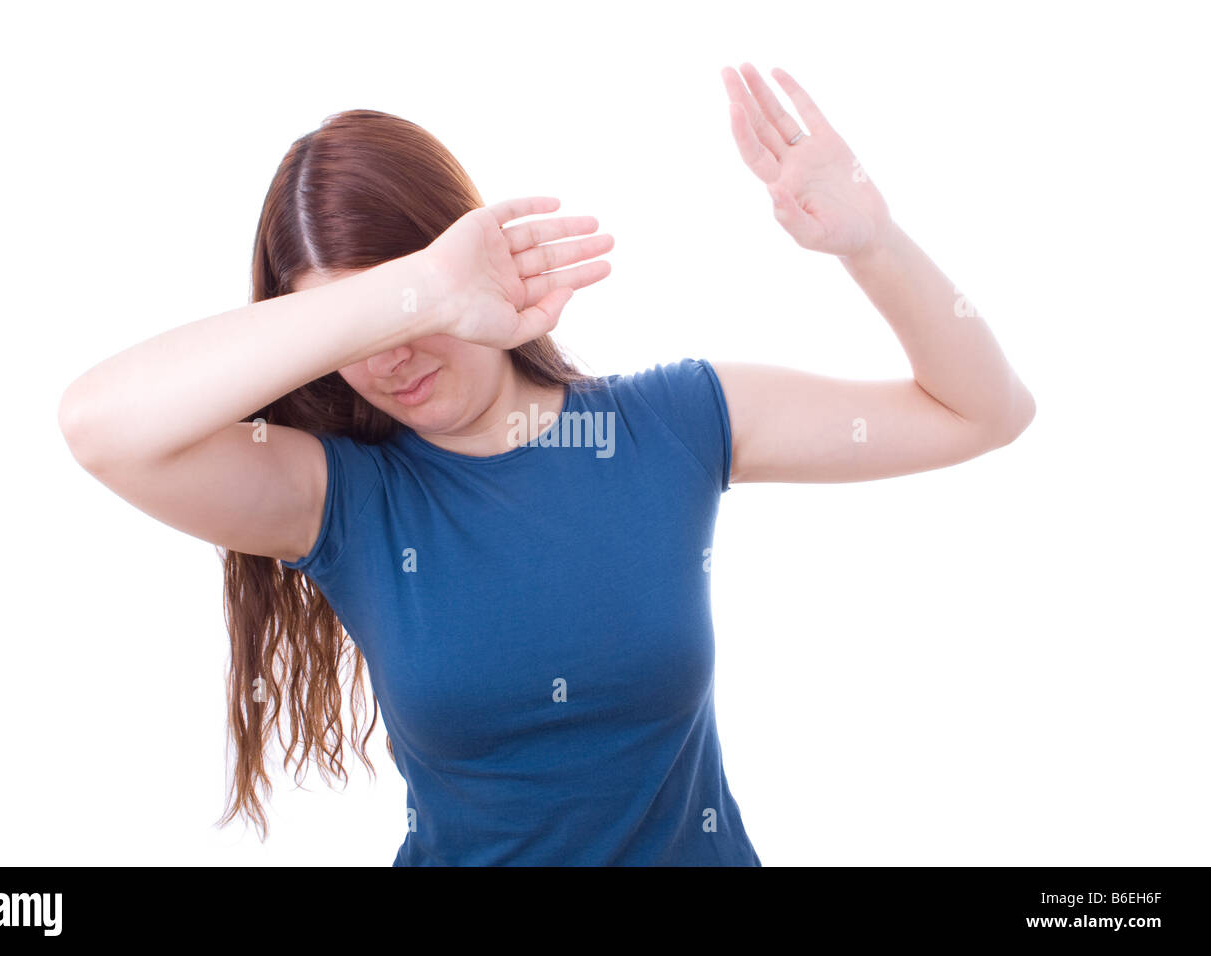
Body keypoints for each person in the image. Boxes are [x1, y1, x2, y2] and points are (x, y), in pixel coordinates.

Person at [57, 64, 1035, 866]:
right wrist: (410, 292)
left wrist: (873, 244)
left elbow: (982, 413)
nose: (389, 355)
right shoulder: (342, 500)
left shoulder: (672, 422)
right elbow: (100, 426)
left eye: (413, 300)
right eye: (356, 321)